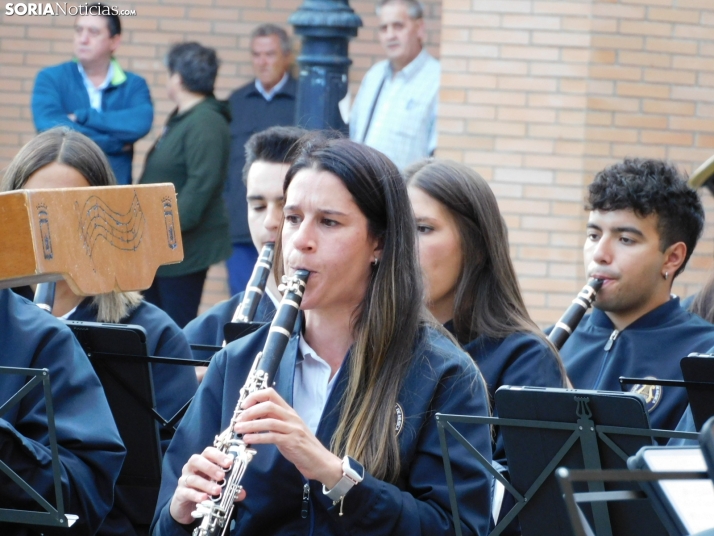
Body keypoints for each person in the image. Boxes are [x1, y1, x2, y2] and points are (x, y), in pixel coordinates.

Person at [151, 136, 493, 535]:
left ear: (379, 243)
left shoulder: (442, 374)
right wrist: (178, 513)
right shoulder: (237, 362)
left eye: (328, 222)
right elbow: (165, 524)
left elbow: (459, 528)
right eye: (294, 218)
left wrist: (335, 475)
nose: (299, 241)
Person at [2, 126, 199, 536]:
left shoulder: (153, 333)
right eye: (36, 214)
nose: (50, 235)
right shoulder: (9, 318)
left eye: (69, 212)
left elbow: (170, 472)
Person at [405, 159, 567, 461]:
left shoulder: (525, 358)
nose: (402, 246)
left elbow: (523, 493)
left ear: (476, 245)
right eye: (398, 231)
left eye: (423, 228)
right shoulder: (381, 343)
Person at [556, 158, 714, 433]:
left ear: (672, 258)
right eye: (593, 235)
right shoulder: (547, 349)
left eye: (625, 239)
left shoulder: (703, 355)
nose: (600, 254)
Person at [184, 126, 306, 352]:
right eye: (258, 206)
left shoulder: (340, 329)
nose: (270, 221)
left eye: (287, 208)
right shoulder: (203, 332)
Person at [139, 42, 232, 329]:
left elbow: (200, 186)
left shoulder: (205, 121)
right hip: (162, 249)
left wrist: (162, 230)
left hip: (182, 252)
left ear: (178, 78)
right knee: (151, 326)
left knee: (173, 329)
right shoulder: (186, 117)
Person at [31, 3, 153, 185]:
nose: (83, 39)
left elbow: (140, 123)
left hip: (114, 194)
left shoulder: (134, 85)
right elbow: (48, 125)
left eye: (93, 32)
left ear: (114, 41)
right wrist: (116, 145)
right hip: (60, 191)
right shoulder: (50, 78)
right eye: (79, 31)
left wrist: (83, 116)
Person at [225, 24, 297, 296]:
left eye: (270, 54)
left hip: (290, 224)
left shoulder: (303, 97)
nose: (262, 62)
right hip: (242, 227)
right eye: (257, 55)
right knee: (245, 300)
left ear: (287, 57)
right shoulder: (236, 101)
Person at [349, 0, 439, 170]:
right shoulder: (374, 76)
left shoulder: (437, 80)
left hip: (406, 194)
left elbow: (438, 157)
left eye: (398, 26)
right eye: (384, 28)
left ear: (419, 29)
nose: (390, 35)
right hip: (364, 190)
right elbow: (353, 135)